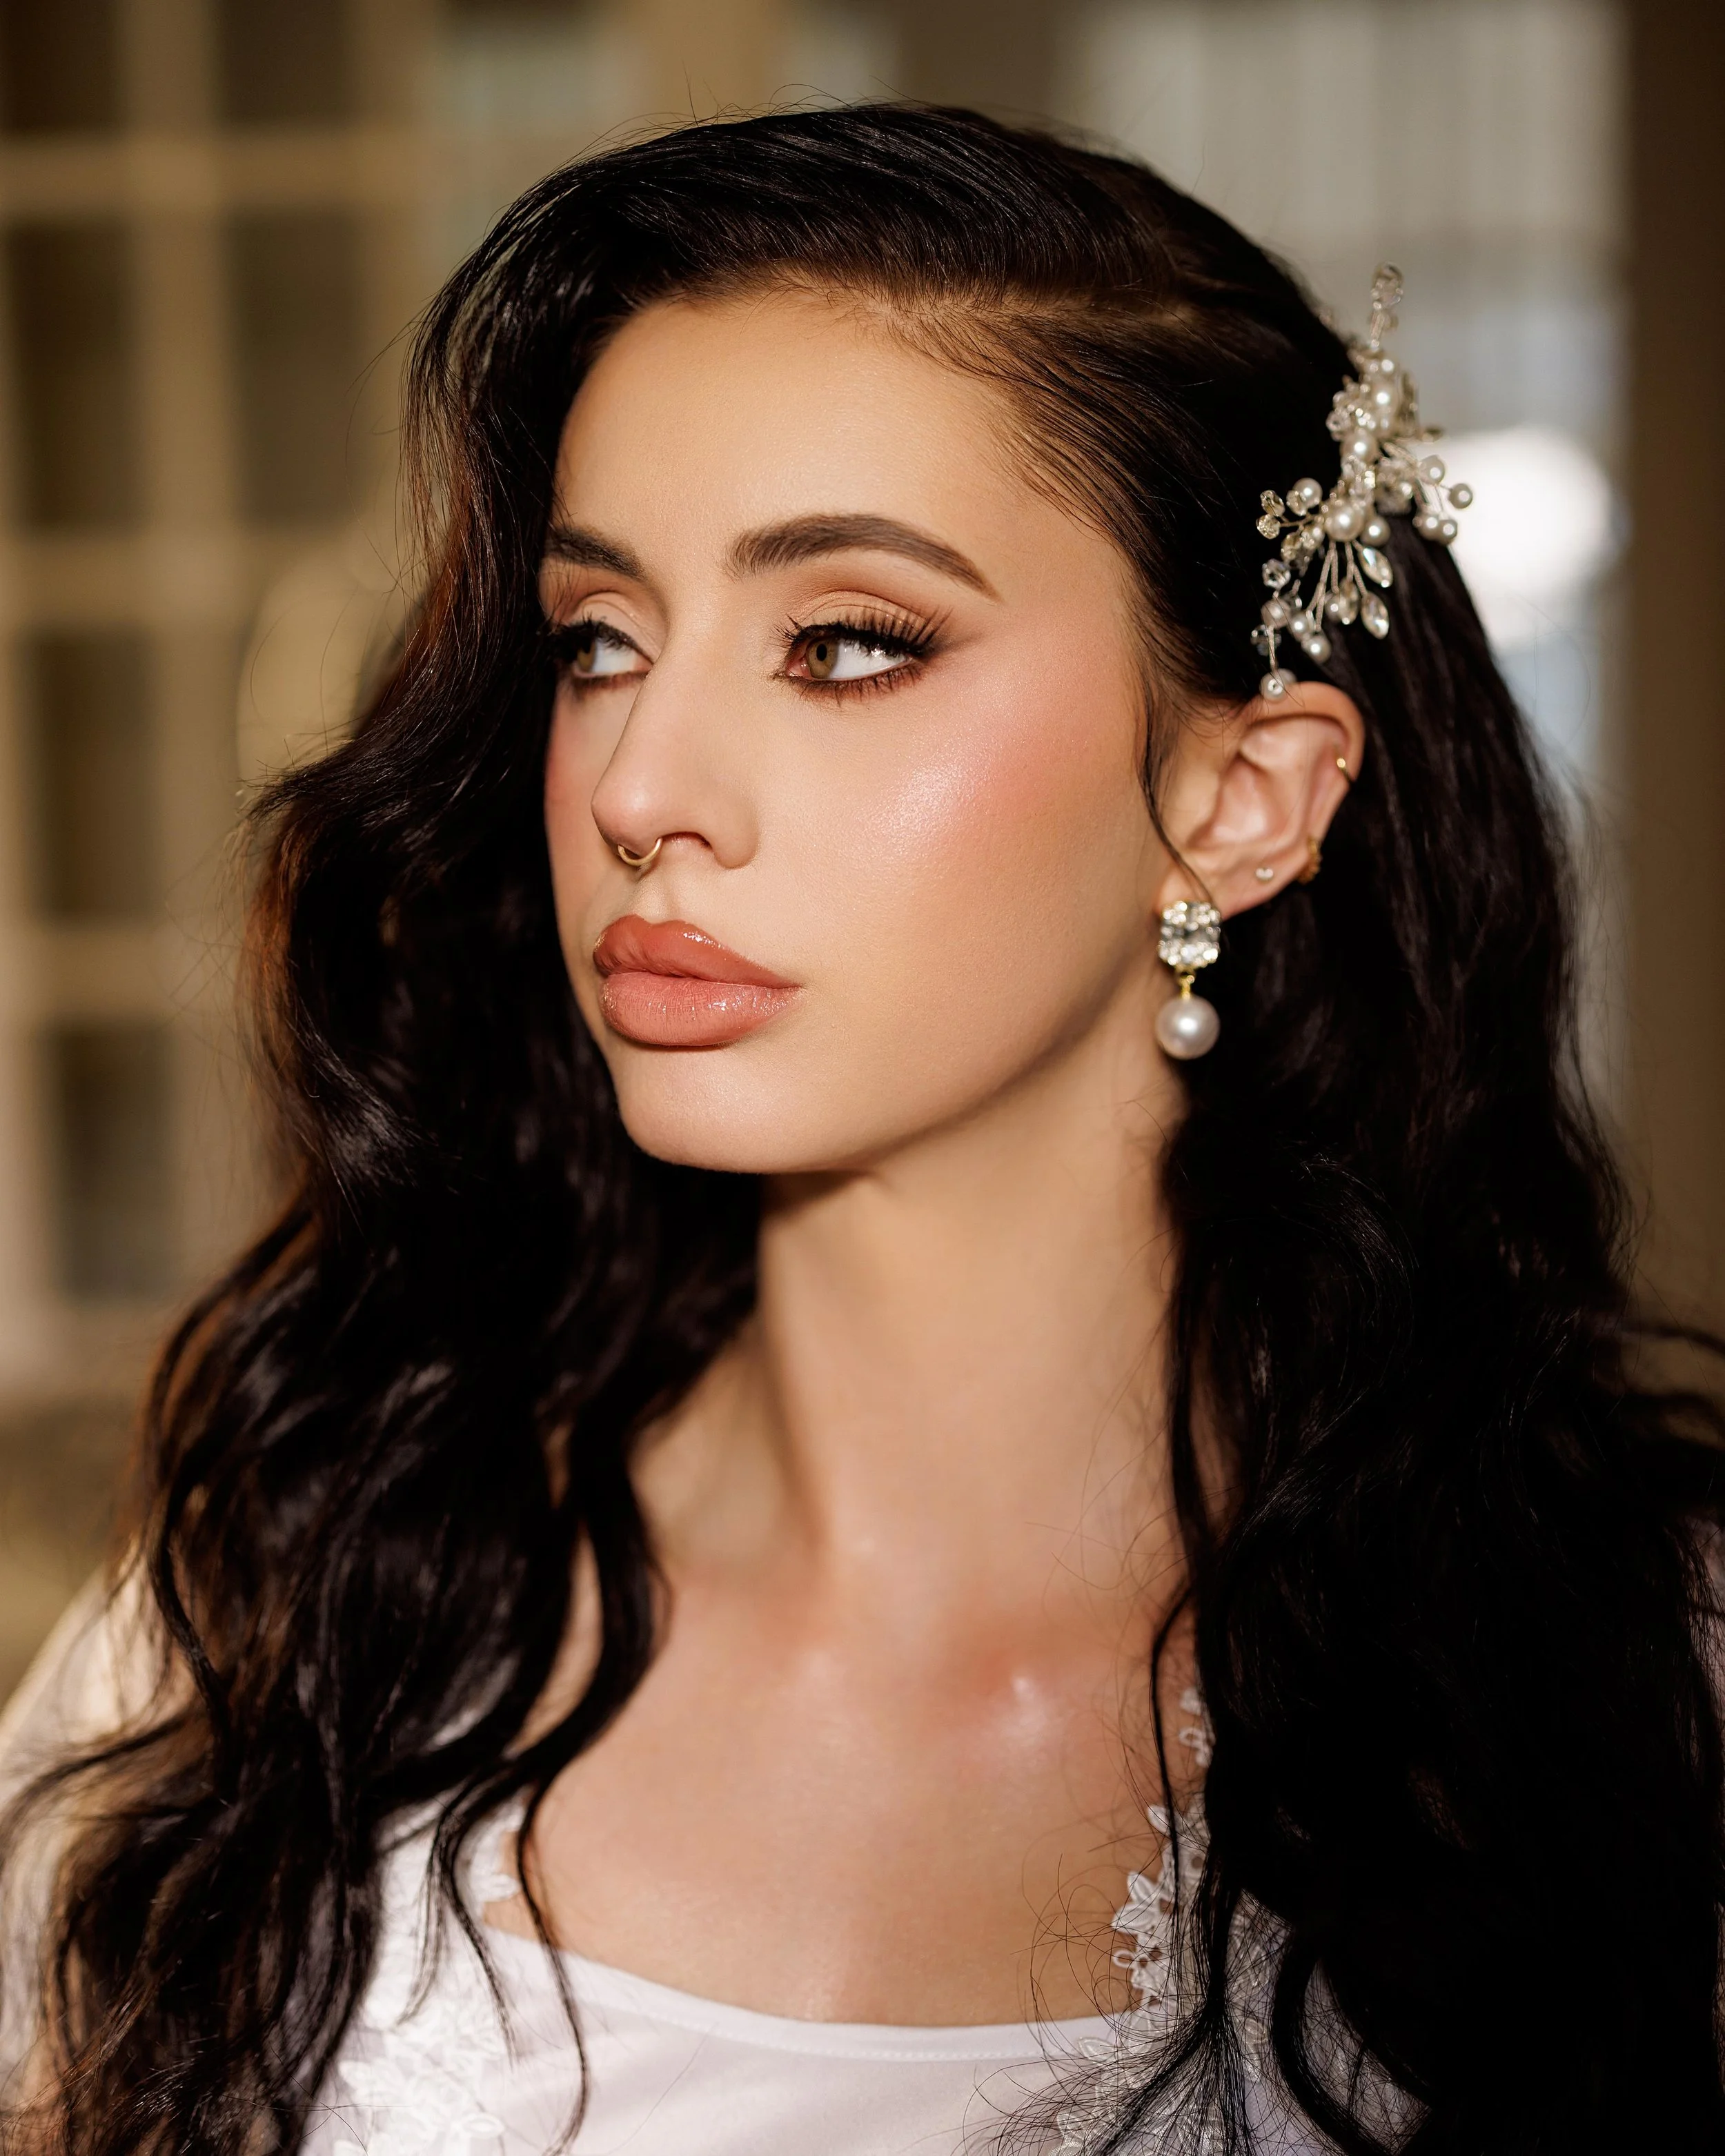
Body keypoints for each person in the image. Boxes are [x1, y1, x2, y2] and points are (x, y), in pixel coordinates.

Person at [1, 104, 1722, 2156]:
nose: (641, 780)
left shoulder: (1631, 1689)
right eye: (596, 640)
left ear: (1241, 793)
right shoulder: (287, 1601)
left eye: (846, 642)